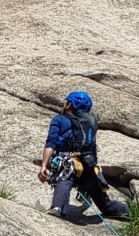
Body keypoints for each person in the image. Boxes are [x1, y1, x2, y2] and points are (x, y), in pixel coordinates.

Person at [39, 91, 129, 221]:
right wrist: (94, 166)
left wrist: (43, 165)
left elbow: (51, 143)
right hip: (88, 166)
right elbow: (92, 147)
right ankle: (126, 211)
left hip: (68, 164)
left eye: (66, 103)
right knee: (105, 205)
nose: (64, 105)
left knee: (64, 181)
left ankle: (57, 208)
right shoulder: (90, 123)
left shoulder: (59, 119)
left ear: (70, 105)